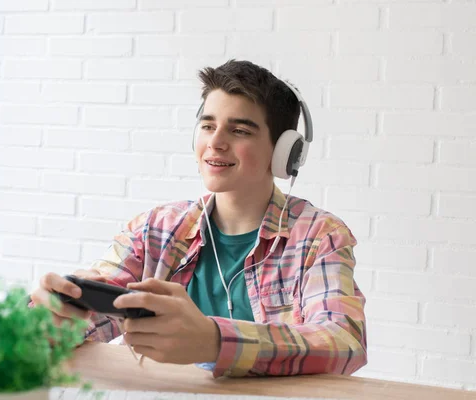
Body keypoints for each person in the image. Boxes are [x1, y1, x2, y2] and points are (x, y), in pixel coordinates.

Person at [30, 60, 368, 378]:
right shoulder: (157, 229)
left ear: (284, 153)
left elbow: (342, 343)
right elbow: (95, 314)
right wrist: (58, 317)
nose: (215, 142)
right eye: (208, 126)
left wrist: (215, 341)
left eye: (239, 130)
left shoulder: (319, 236)